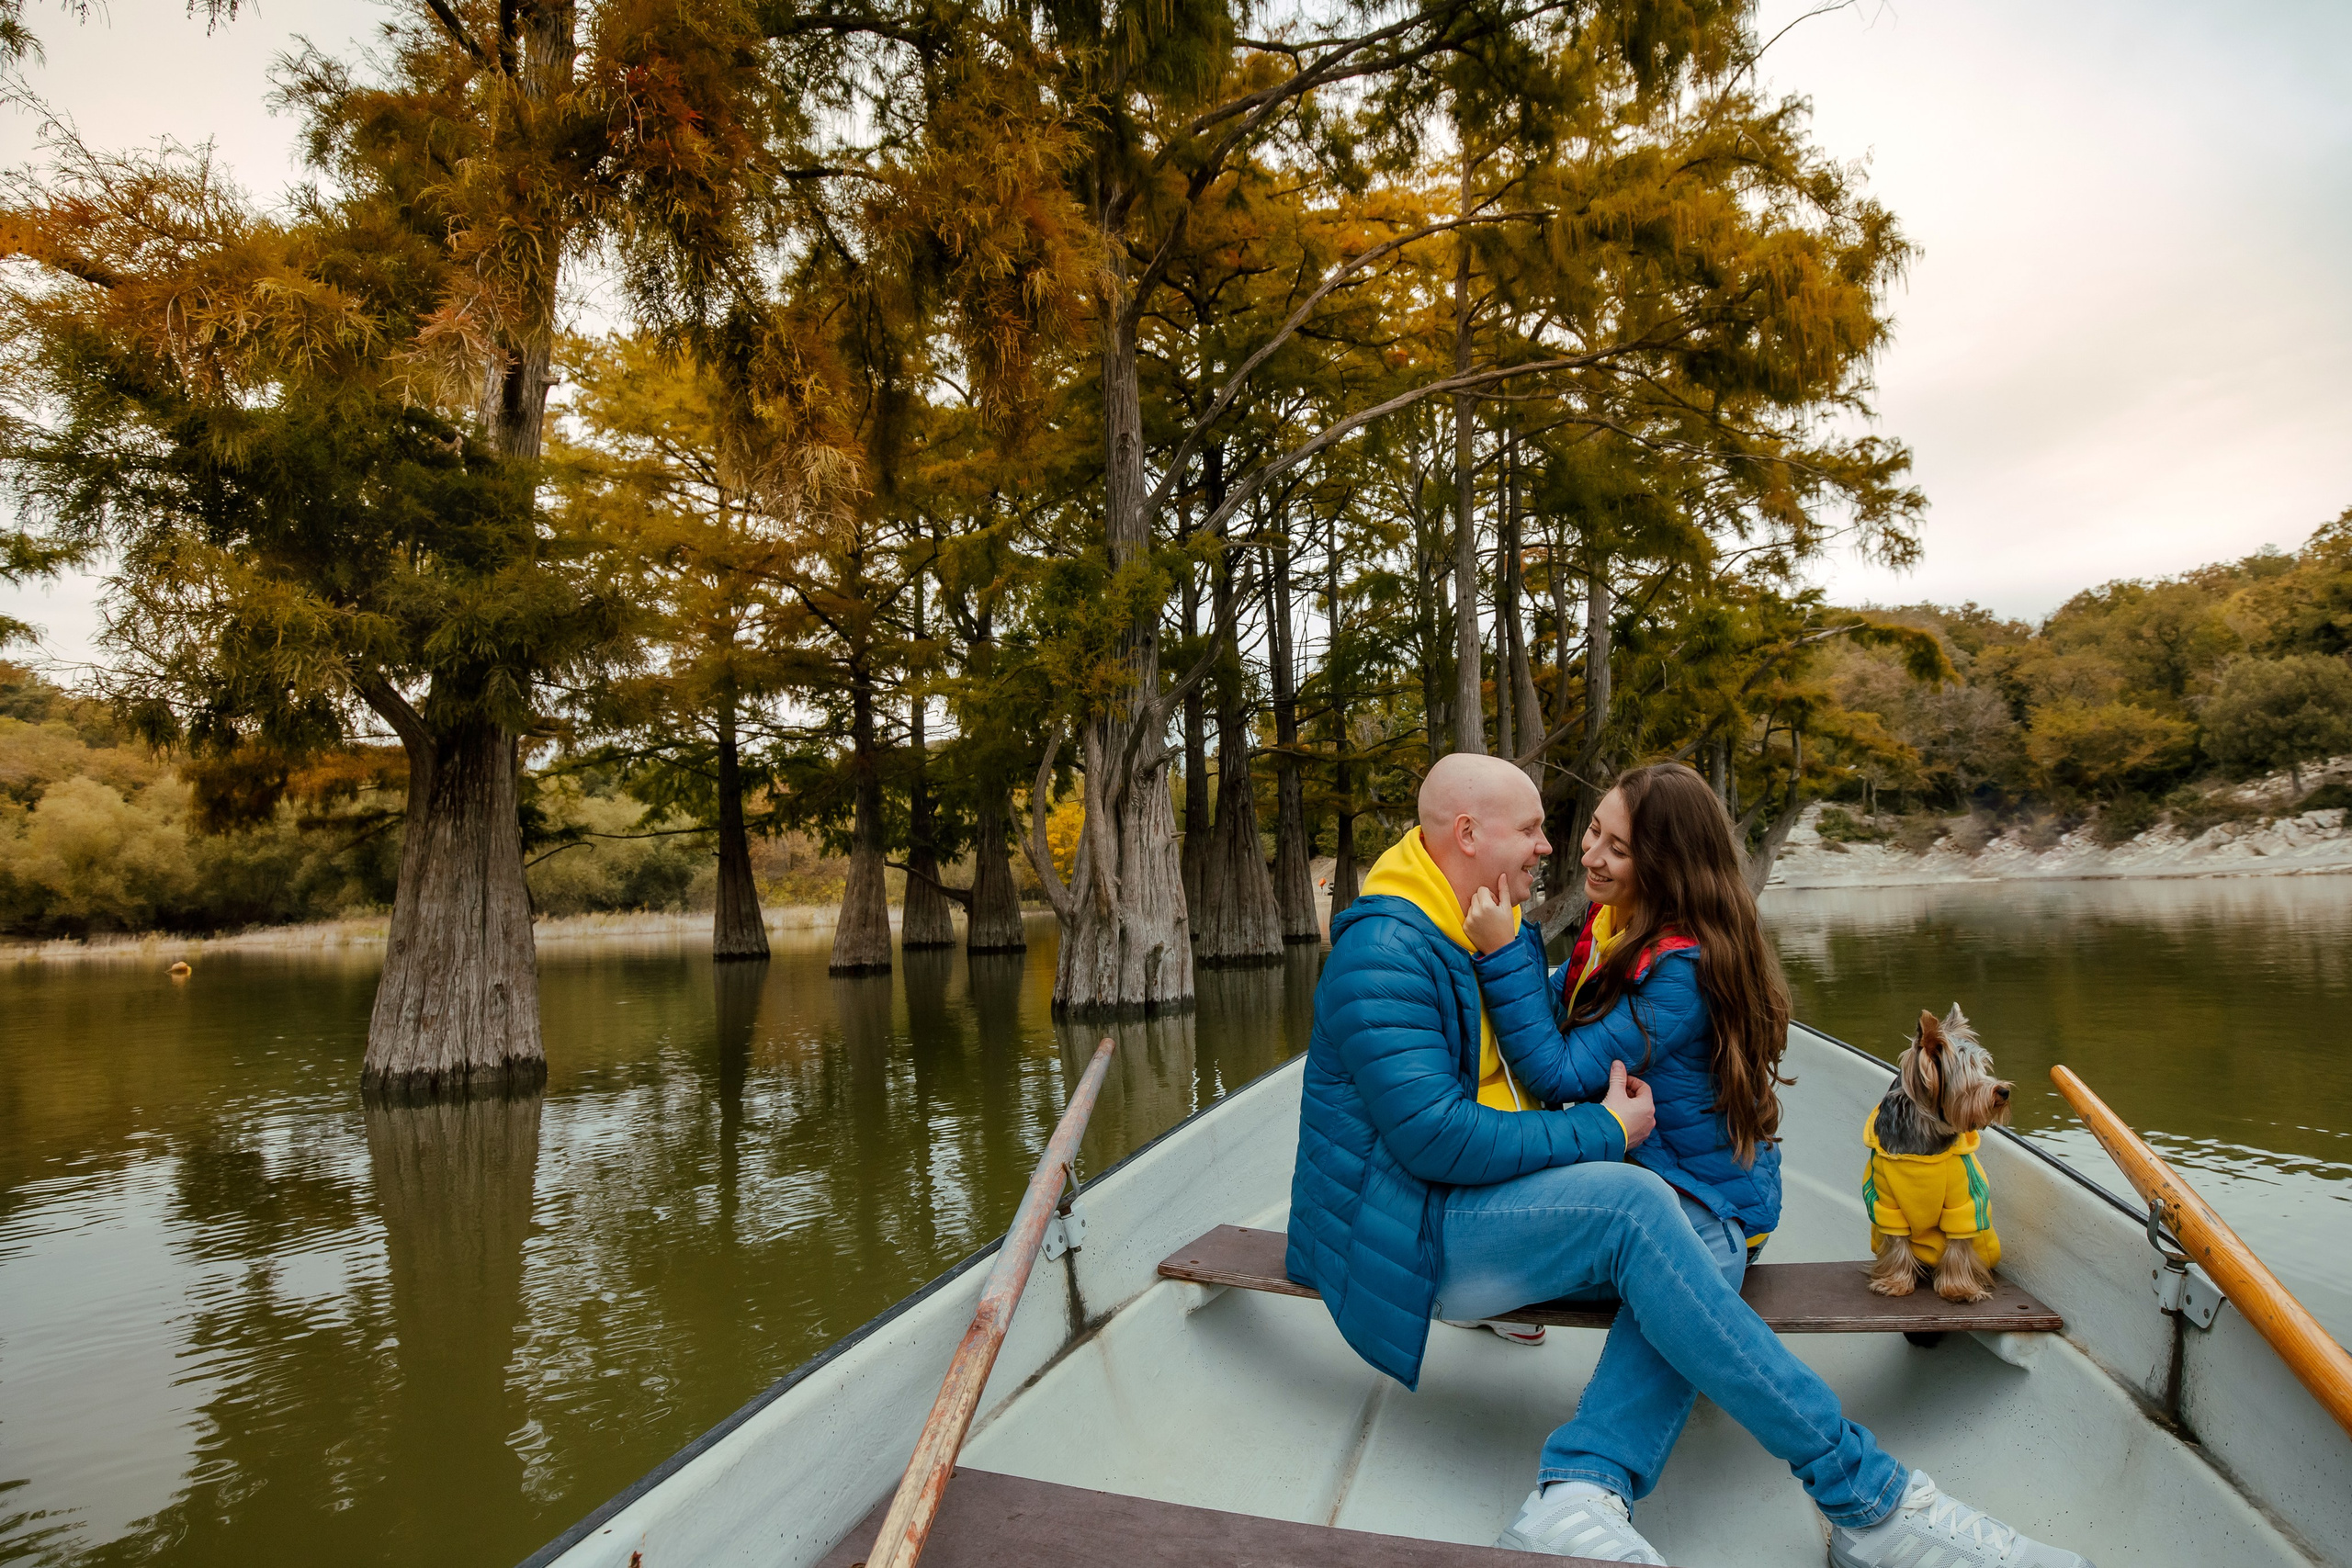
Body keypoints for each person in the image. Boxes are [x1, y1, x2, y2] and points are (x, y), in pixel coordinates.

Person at [1285, 754, 2093, 1568]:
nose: (1553, 849)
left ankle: (1577, 1490)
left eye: (1592, 837)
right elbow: (1443, 1138)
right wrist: (1607, 1130)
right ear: (1468, 833)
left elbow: (1531, 1044)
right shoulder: (1389, 948)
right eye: (1536, 830)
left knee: (1697, 1240)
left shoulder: (1475, 920)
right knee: (1640, 1207)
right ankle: (1870, 1499)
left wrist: (1521, 962)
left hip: (1457, 1207)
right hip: (1399, 1243)